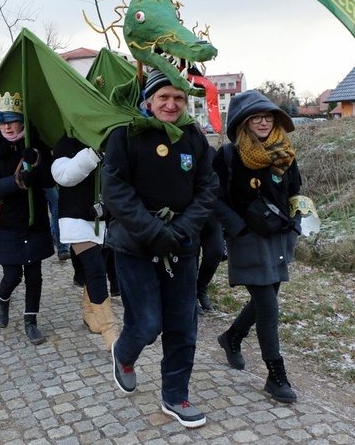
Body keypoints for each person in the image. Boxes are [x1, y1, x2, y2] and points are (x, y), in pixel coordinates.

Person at [102, 70, 218, 428]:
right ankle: (123, 353)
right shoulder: (125, 134)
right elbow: (115, 190)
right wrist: (153, 231)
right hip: (135, 245)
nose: (171, 104)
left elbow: (208, 187)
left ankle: (175, 396)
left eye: (179, 98)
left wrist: (182, 229)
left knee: (183, 324)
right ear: (149, 101)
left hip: (182, 245)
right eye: (164, 97)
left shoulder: (194, 138)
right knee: (148, 324)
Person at [212, 89, 301, 404]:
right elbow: (214, 198)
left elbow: (296, 192)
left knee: (268, 298)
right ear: (243, 123)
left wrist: (298, 218)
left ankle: (232, 337)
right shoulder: (228, 156)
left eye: (267, 116)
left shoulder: (284, 152)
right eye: (255, 118)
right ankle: (276, 376)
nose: (263, 122)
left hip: (278, 237)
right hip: (246, 239)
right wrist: (238, 229)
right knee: (267, 305)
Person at [0, 92, 55, 345]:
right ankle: (2, 300)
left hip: (34, 222)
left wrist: (39, 161)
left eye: (12, 120)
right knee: (12, 276)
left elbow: (49, 180)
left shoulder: (35, 145)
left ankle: (30, 321)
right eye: (2, 122)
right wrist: (17, 181)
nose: (7, 126)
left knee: (34, 275)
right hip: (7, 224)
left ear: (22, 121)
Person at [51, 134, 118, 351]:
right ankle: (111, 332)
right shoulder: (67, 141)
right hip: (76, 217)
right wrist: (92, 154)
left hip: (105, 218)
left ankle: (89, 314)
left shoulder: (112, 140)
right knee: (96, 269)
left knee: (98, 268)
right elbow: (63, 176)